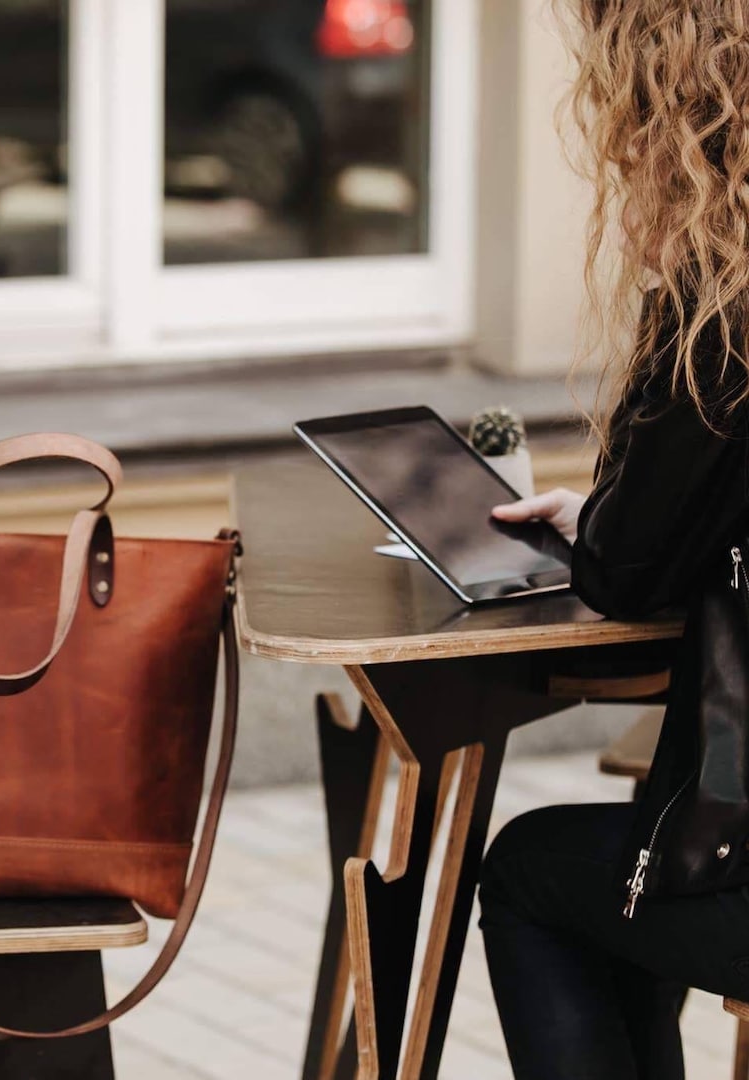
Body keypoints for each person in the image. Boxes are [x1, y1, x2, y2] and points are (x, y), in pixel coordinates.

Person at [477, 2, 749, 1077]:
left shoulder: (723, 313)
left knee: (533, 872)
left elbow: (631, 572)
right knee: (647, 857)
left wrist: (671, 280)